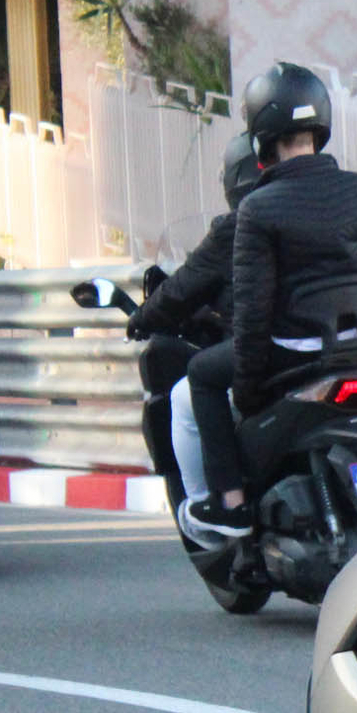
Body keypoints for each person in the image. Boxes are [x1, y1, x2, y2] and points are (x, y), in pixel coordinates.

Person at [182, 63, 357, 542]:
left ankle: (230, 504)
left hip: (294, 355)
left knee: (201, 377)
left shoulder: (257, 207)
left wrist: (248, 392)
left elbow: (252, 312)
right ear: (321, 124)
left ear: (260, 134)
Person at [129, 132, 259, 517]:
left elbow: (181, 289)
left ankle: (214, 504)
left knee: (189, 391)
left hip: (276, 350)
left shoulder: (239, 227)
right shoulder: (314, 210)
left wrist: (140, 318)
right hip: (351, 344)